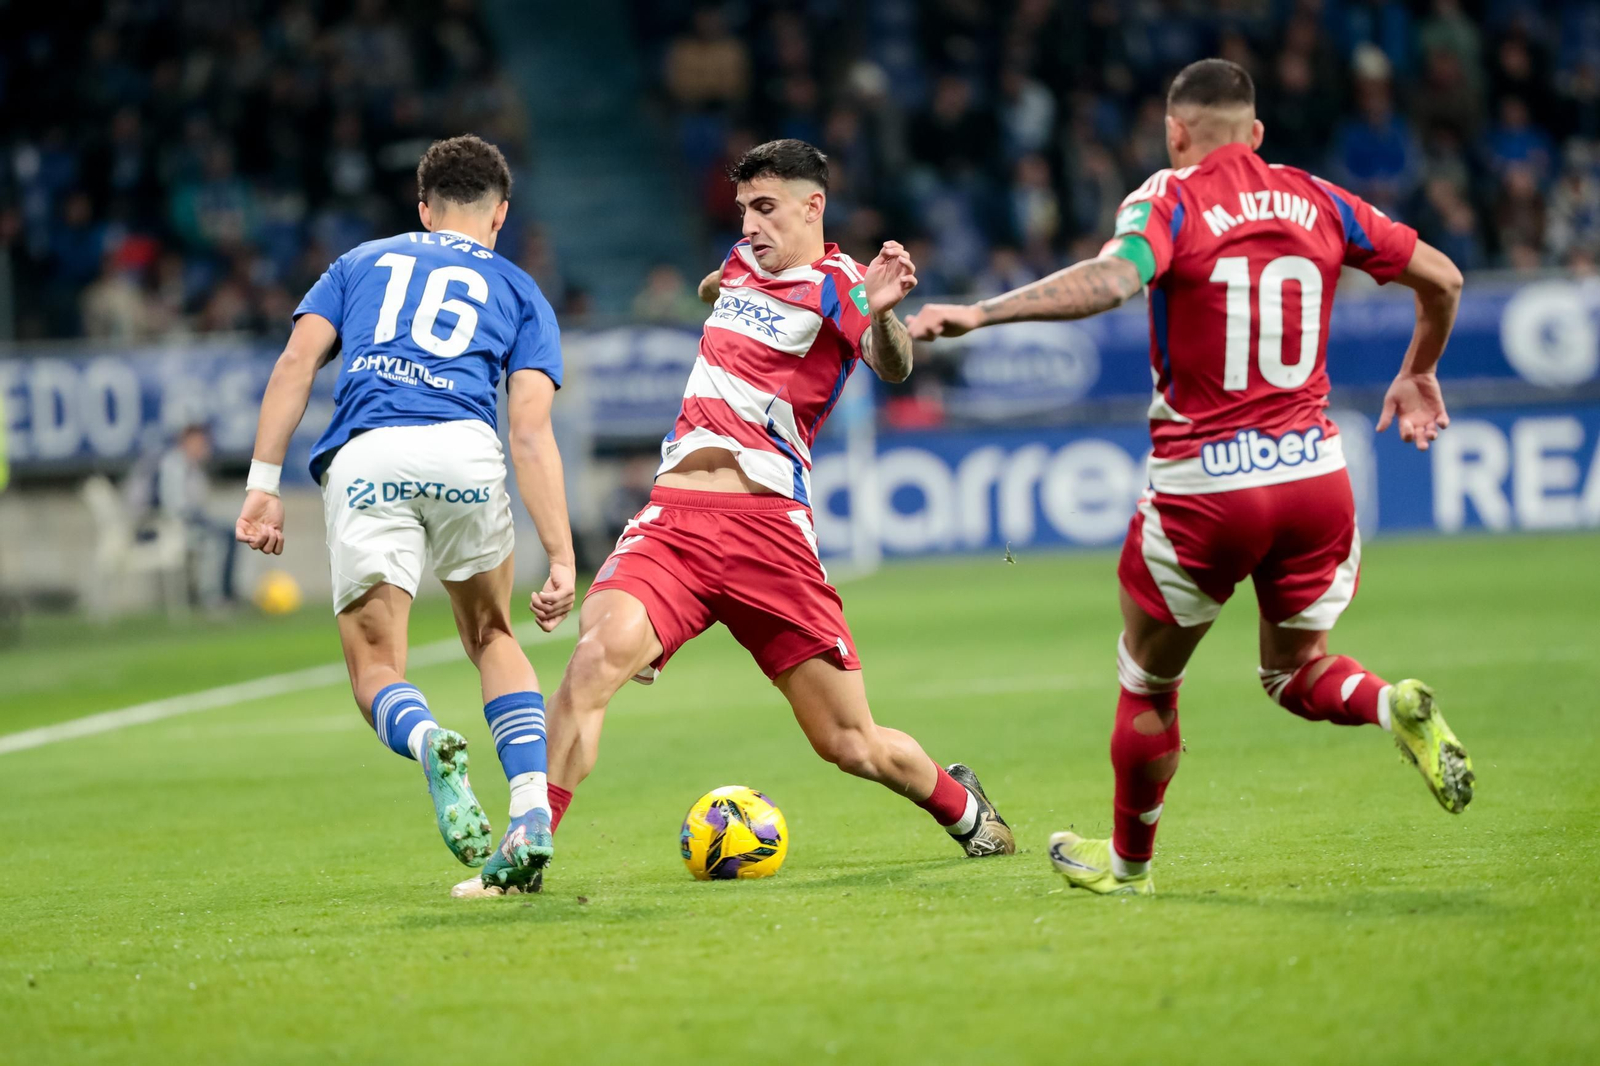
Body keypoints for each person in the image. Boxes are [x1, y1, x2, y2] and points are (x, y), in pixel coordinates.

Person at [908, 60, 1475, 897]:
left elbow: (1111, 279)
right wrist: (1417, 370)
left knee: (1149, 676)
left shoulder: (1169, 197)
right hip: (1316, 474)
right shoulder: (1317, 196)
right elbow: (1446, 278)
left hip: (1206, 485)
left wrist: (985, 312)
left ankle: (1128, 866)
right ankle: (1391, 704)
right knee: (1293, 668)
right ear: (1256, 132)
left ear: (1176, 133)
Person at [454, 139, 1013, 898]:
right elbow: (718, 284)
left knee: (849, 743)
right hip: (676, 520)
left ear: (814, 207)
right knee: (593, 660)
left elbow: (892, 363)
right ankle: (528, 850)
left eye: (767, 208)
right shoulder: (746, 260)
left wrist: (879, 314)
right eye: (744, 208)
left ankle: (962, 806)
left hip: (768, 534)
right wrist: (722, 281)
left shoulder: (842, 283)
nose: (750, 223)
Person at [234, 135, 575, 890]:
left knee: (377, 667)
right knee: (491, 634)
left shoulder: (359, 263)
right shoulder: (521, 289)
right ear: (500, 215)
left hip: (368, 454)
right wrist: (562, 553)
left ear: (423, 208)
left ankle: (426, 742)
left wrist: (263, 481)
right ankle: (529, 809)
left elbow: (295, 363)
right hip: (464, 449)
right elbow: (528, 431)